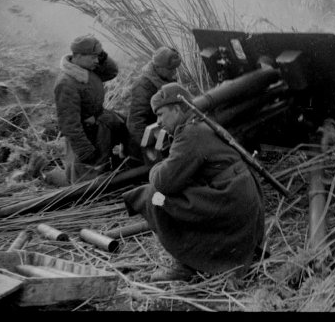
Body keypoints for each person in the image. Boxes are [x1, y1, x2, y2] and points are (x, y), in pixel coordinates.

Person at [122, 83, 266, 282]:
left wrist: (155, 168)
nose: (159, 122)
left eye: (161, 114)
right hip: (235, 198)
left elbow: (163, 182)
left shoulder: (190, 134)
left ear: (177, 108)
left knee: (154, 198)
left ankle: (185, 265)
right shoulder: (199, 124)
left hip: (227, 199)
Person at [53, 34, 127, 184]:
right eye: (93, 57)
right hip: (86, 135)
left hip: (99, 126)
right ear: (78, 56)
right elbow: (69, 123)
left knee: (103, 166)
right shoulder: (66, 83)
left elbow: (111, 72)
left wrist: (103, 55)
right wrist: (84, 150)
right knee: (87, 179)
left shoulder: (87, 69)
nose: (97, 61)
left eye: (98, 57)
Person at [124, 46, 182, 163]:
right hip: (146, 139)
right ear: (157, 67)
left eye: (175, 69)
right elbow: (136, 122)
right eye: (170, 69)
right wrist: (148, 148)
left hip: (163, 131)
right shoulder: (143, 86)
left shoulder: (165, 78)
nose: (174, 73)